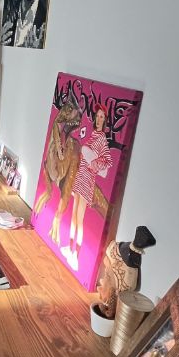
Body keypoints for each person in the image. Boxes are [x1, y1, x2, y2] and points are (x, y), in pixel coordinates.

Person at [61, 105, 113, 271]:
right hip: (80, 175)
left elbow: (107, 163)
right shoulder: (93, 135)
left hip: (87, 178)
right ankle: (70, 248)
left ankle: (76, 255)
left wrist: (94, 164)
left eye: (102, 117)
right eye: (97, 116)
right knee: (73, 215)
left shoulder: (102, 139)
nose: (99, 119)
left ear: (105, 120)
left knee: (80, 218)